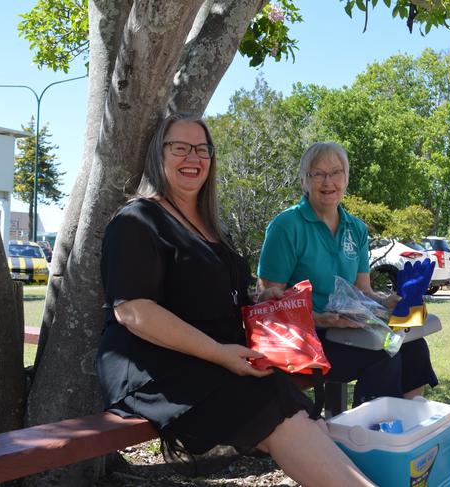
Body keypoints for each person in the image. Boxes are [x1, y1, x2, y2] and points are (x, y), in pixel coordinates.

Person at [96, 114, 374, 486]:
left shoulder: (209, 227)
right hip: (156, 367)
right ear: (157, 155)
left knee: (299, 411)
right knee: (275, 405)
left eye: (202, 149)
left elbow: (214, 296)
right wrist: (220, 353)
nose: (192, 157)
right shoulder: (138, 219)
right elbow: (133, 311)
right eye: (179, 147)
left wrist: (265, 299)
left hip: (216, 358)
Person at [257, 141, 438, 403]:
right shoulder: (286, 226)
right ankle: (371, 435)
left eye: (336, 172)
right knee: (383, 356)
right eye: (317, 173)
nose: (328, 181)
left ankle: (407, 427)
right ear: (304, 181)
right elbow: (268, 301)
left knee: (414, 347)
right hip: (305, 337)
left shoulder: (356, 228)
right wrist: (318, 318)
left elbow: (362, 291)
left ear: (346, 178)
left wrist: (387, 302)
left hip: (348, 330)